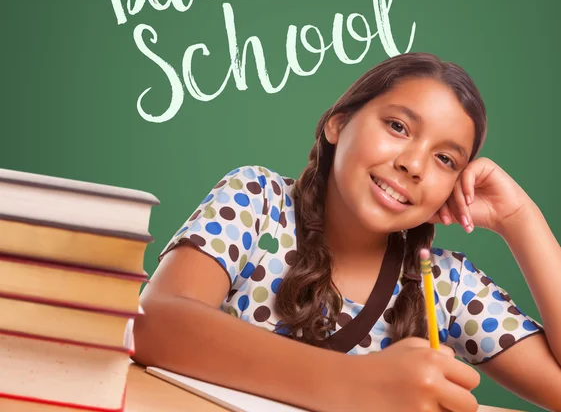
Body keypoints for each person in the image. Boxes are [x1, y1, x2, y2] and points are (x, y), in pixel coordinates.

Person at [132, 52, 561, 412]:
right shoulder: (257, 201)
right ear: (337, 124)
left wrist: (521, 219)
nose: (413, 164)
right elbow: (155, 322)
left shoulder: (444, 287)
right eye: (397, 127)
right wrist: (356, 384)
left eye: (445, 159)